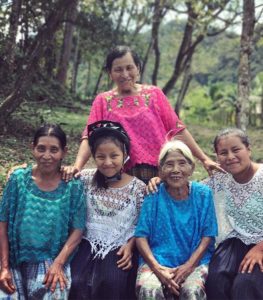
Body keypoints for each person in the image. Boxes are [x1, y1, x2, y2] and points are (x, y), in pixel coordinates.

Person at [62, 45, 223, 183]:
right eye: (118, 69)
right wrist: (77, 166)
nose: (125, 74)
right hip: (120, 176)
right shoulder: (102, 101)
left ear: (138, 69)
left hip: (159, 174)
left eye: (129, 67)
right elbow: (89, 136)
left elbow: (177, 129)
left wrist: (204, 159)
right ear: (110, 73)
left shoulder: (154, 94)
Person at [0, 124, 86, 300]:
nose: (47, 156)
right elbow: (3, 223)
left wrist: (58, 264)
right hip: (14, 259)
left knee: (54, 293)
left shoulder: (72, 186)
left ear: (64, 152)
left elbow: (78, 230)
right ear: (33, 148)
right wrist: (4, 267)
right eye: (41, 148)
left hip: (51, 261)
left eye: (54, 150)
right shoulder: (18, 179)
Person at [69, 120, 146, 300]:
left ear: (125, 155)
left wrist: (131, 244)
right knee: (77, 281)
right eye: (101, 156)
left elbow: (143, 224)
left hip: (120, 247)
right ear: (94, 156)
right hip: (85, 243)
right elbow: (53, 175)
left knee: (113, 283)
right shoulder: (84, 179)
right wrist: (24, 169)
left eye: (114, 155)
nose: (108, 162)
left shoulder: (138, 188)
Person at [135, 140, 218, 300]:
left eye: (182, 163)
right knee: (149, 290)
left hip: (194, 260)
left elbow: (208, 235)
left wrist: (189, 266)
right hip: (158, 260)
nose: (175, 170)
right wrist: (156, 268)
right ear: (161, 169)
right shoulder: (154, 194)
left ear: (191, 168)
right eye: (169, 164)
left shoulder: (203, 194)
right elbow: (141, 236)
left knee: (192, 292)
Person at [204, 128, 263, 300]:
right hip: (233, 242)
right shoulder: (220, 179)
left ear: (248, 149)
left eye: (236, 150)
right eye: (223, 153)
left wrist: (260, 248)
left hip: (261, 243)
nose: (230, 157)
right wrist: (162, 179)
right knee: (215, 280)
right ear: (217, 157)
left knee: (245, 285)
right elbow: (187, 189)